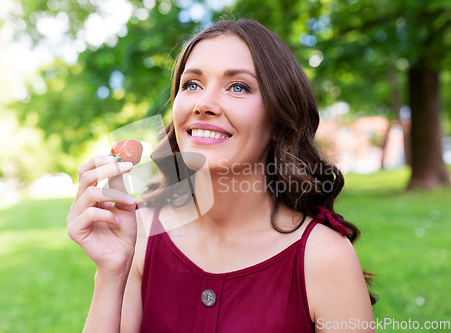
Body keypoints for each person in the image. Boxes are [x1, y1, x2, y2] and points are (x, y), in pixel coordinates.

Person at [67, 19, 376, 332]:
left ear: (280, 118)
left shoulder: (324, 257)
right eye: (192, 85)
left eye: (238, 87)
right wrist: (111, 271)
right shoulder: (142, 236)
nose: (203, 104)